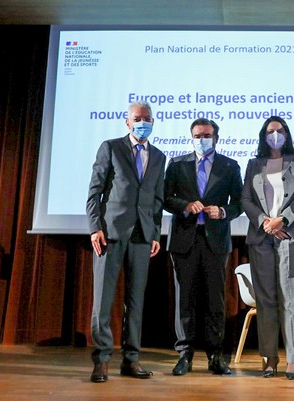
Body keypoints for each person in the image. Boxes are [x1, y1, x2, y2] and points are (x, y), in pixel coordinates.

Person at [86, 101, 166, 383]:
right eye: (137, 118)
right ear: (127, 121)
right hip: (110, 233)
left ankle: (131, 360)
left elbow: (157, 199)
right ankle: (102, 360)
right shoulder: (111, 147)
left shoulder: (159, 156)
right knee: (103, 301)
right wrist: (95, 227)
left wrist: (156, 233)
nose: (143, 122)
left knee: (136, 301)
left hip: (143, 235)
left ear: (153, 121)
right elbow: (95, 191)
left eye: (147, 118)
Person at [164, 118, 243, 376]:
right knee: (184, 299)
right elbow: (165, 198)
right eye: (197, 136)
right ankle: (184, 354)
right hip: (184, 239)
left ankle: (215, 355)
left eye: (206, 135)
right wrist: (185, 206)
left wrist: (223, 211)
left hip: (215, 240)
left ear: (216, 138)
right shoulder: (177, 164)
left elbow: (240, 203)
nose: (201, 140)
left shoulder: (230, 166)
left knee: (215, 300)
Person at [241, 116, 294, 380]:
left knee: (291, 299)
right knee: (266, 300)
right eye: (271, 131)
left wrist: (283, 219)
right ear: (264, 135)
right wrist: (265, 222)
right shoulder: (254, 164)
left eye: (280, 130)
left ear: (287, 134)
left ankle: (293, 359)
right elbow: (245, 199)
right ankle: (270, 358)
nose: (275, 135)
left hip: (290, 236)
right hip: (261, 237)